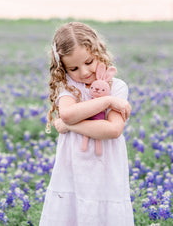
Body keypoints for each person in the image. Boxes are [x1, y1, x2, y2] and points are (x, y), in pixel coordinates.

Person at [39, 22, 134, 226]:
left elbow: (113, 129)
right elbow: (68, 113)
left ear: (99, 51)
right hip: (74, 166)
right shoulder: (69, 88)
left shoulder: (116, 87)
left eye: (89, 62)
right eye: (73, 68)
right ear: (62, 68)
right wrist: (106, 101)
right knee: (73, 209)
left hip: (107, 166)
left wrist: (70, 126)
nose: (83, 72)